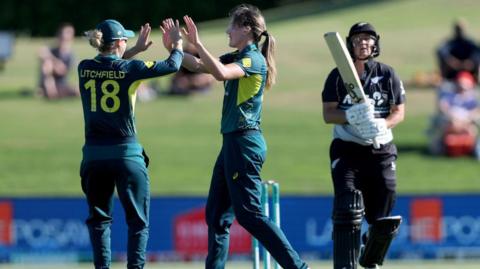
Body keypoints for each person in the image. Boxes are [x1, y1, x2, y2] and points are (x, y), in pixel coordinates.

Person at [181, 5, 309, 269]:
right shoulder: (236, 56)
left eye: (232, 26)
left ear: (247, 29)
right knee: (216, 215)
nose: (227, 30)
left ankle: (298, 267)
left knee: (249, 215)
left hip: (244, 143)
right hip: (232, 143)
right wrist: (176, 49)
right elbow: (197, 65)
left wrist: (198, 43)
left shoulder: (252, 60)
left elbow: (220, 73)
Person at [78, 19, 183, 269]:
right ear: (118, 43)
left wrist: (134, 49)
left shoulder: (83, 68)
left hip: (94, 157)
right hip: (126, 154)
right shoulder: (131, 69)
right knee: (137, 222)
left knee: (99, 221)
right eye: (124, 39)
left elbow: (109, 65)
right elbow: (172, 65)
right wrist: (177, 45)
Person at [322, 22, 405, 269]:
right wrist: (350, 115)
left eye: (368, 39)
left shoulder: (387, 74)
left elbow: (399, 111)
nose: (363, 43)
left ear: (375, 43)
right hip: (348, 148)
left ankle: (370, 249)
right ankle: (346, 256)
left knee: (384, 217)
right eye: (358, 39)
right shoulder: (337, 76)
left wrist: (384, 124)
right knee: (347, 202)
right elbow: (328, 114)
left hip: (381, 149)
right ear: (350, 44)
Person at [428, 71, 480, 157]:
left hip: (467, 123)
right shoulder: (450, 96)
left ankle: (474, 149)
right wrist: (453, 117)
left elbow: (477, 111)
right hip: (451, 122)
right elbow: (443, 106)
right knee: (446, 127)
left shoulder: (471, 99)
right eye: (460, 85)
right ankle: (441, 148)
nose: (462, 89)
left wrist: (466, 120)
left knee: (472, 130)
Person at [38, 23, 79, 99]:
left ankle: (51, 93)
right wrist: (56, 62)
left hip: (61, 85)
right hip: (48, 84)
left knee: (77, 90)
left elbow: (62, 70)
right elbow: (41, 52)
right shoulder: (52, 50)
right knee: (48, 63)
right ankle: (49, 91)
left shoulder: (70, 55)